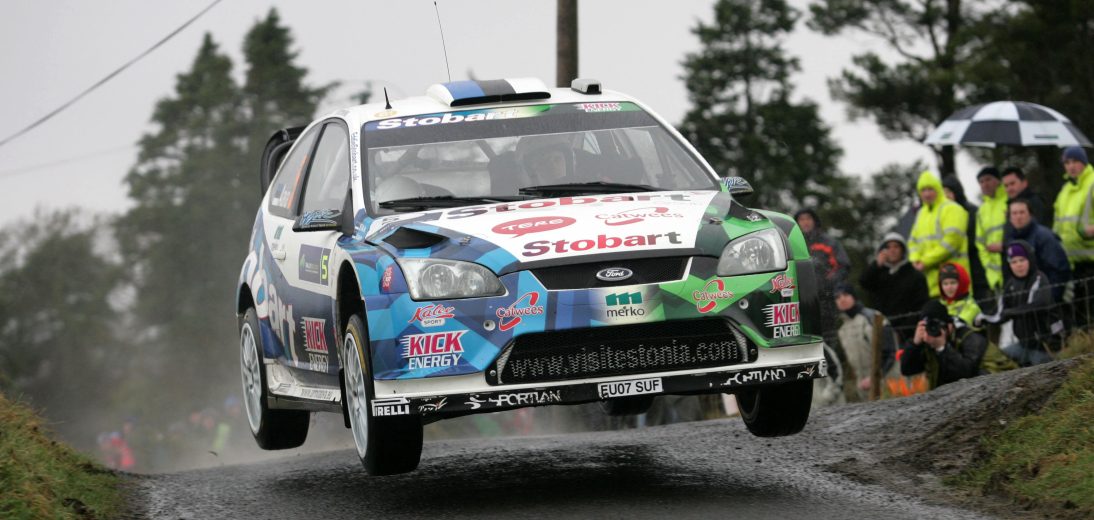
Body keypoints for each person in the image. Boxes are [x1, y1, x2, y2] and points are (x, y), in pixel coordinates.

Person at [981, 241, 1064, 366]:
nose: (1018, 265)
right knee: (998, 360)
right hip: (1023, 345)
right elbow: (1000, 313)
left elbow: (1040, 304)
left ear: (1030, 260)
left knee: (1041, 372)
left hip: (1045, 346)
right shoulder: (1011, 284)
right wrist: (983, 319)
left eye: (1022, 260)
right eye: (1014, 262)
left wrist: (1011, 312)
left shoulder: (1039, 278)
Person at [899, 300, 988, 390]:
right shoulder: (929, 342)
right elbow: (907, 370)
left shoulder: (970, 339)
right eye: (928, 327)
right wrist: (915, 344)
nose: (932, 330)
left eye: (935, 326)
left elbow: (966, 374)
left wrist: (942, 348)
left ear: (949, 326)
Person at [859, 232, 930, 342]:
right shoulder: (878, 273)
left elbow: (921, 307)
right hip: (881, 331)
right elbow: (864, 282)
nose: (892, 250)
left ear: (903, 250)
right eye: (888, 247)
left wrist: (903, 331)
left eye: (896, 247)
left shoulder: (915, 276)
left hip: (907, 333)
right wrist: (876, 265)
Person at [909, 171, 970, 299]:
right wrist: (915, 259)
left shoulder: (952, 208)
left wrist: (925, 261)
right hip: (931, 285)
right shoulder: (921, 213)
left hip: (955, 281)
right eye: (923, 190)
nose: (926, 194)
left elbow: (952, 241)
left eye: (930, 189)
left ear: (938, 189)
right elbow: (912, 241)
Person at [834, 285, 898, 402]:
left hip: (887, 383)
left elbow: (890, 353)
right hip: (864, 390)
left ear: (854, 296)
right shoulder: (842, 330)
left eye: (845, 295)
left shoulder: (874, 317)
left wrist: (874, 378)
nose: (842, 299)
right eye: (837, 297)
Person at [1053, 146, 1094, 326]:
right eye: (1067, 162)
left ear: (1084, 162)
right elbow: (1057, 225)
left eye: (1075, 161)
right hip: (1072, 264)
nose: (1071, 166)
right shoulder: (1065, 191)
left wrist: (1089, 231)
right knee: (1080, 317)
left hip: (1091, 261)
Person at [1004, 199, 1071, 301]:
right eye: (1014, 213)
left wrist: (1050, 298)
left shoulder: (1044, 237)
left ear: (1030, 214)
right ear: (1009, 218)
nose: (1018, 217)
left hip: (1046, 296)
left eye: (1022, 212)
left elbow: (1059, 270)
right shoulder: (1011, 239)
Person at [943, 174, 990, 301]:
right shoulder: (942, 216)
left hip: (976, 270)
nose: (946, 196)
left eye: (948, 192)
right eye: (943, 193)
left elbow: (975, 240)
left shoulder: (972, 212)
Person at [793, 208, 851, 286]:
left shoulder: (830, 242)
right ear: (797, 223)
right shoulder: (793, 244)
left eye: (808, 218)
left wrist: (830, 282)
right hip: (801, 289)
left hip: (829, 290)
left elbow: (844, 266)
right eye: (802, 219)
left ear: (815, 221)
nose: (805, 222)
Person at [974, 167, 1007, 292]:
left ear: (998, 181)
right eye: (981, 182)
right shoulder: (981, 211)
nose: (985, 184)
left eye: (988, 179)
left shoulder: (1009, 201)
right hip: (995, 277)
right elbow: (980, 244)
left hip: (1016, 267)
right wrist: (991, 273)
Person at [938, 262, 981, 329]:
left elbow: (959, 326)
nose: (949, 287)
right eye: (945, 284)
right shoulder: (939, 305)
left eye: (953, 283)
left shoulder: (972, 306)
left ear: (962, 283)